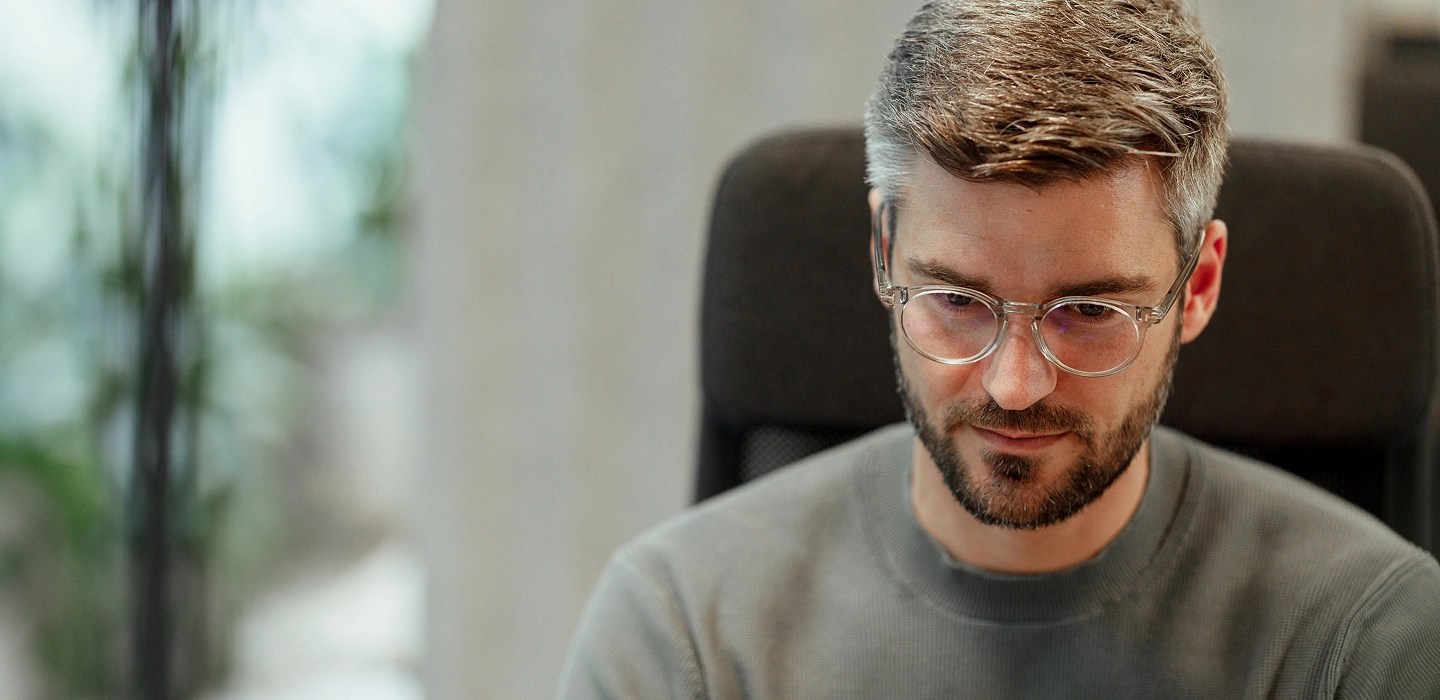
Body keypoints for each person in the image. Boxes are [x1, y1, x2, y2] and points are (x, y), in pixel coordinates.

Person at [557, 0, 1440, 697]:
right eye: (956, 302)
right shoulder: (682, 636)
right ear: (882, 255)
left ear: (1197, 286)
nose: (1015, 386)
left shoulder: (1366, 643)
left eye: (1089, 311)